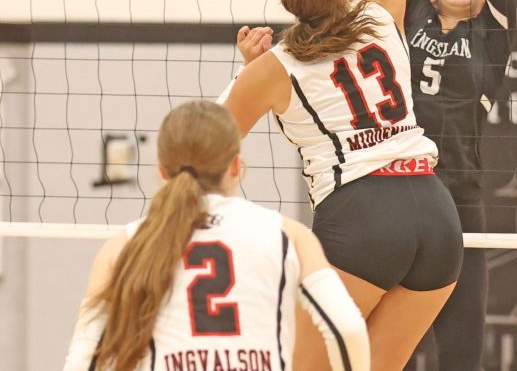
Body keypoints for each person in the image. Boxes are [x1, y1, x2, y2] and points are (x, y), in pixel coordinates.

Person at [220, 0, 464, 369]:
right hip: (434, 213)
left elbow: (203, 141)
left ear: (286, 0)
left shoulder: (275, 67)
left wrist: (245, 72)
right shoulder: (380, 9)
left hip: (362, 218)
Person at [63, 101, 369, 371]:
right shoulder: (289, 235)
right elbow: (348, 328)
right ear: (235, 166)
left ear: (162, 171)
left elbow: (83, 361)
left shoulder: (126, 244)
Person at [403, 0, 517, 368]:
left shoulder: (491, 33)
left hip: (460, 196)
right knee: (394, 343)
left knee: (461, 345)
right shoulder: (408, 15)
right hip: (400, 188)